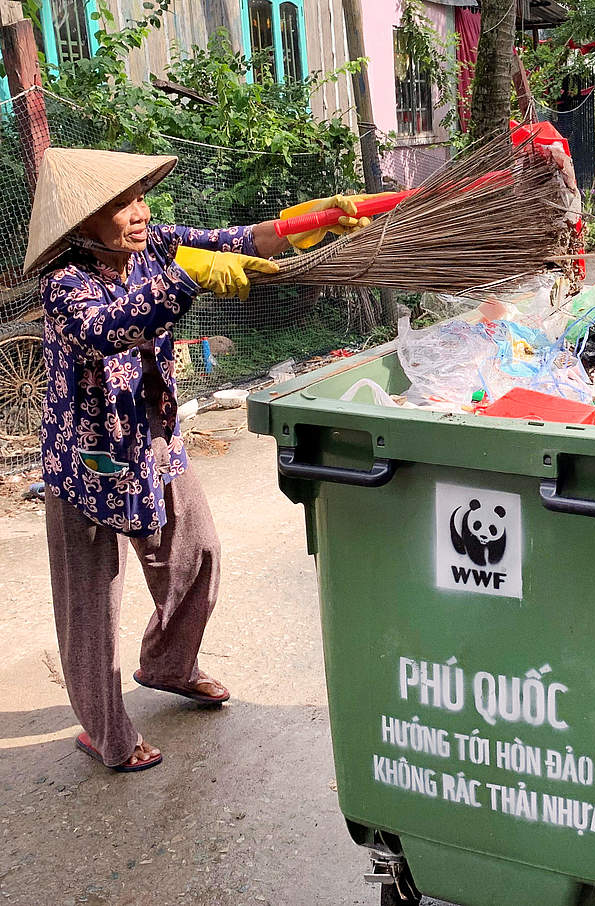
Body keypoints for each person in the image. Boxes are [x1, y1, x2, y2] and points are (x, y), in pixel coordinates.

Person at [28, 148, 373, 771]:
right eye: (119, 205)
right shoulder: (64, 285)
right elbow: (113, 329)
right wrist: (190, 278)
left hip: (154, 443)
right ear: (83, 225)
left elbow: (238, 240)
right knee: (91, 606)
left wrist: (301, 223)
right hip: (88, 463)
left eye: (139, 197)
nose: (138, 212)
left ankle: (167, 664)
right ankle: (106, 731)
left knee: (198, 552)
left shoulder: (155, 244)